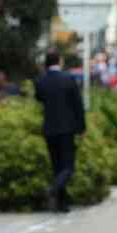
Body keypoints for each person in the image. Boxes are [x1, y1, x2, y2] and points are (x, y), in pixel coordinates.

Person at [35, 51, 85, 213]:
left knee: (57, 167)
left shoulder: (40, 81)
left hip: (49, 129)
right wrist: (82, 128)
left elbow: (39, 98)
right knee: (68, 167)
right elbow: (78, 105)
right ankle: (53, 189)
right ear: (60, 61)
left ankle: (61, 204)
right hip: (66, 129)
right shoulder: (68, 79)